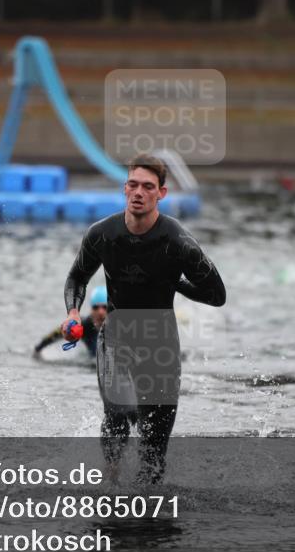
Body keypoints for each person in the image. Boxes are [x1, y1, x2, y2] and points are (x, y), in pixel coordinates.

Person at [61, 154, 226, 484]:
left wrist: (176, 283)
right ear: (125, 189)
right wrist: (73, 312)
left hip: (161, 345)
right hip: (116, 337)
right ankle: (110, 485)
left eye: (147, 187)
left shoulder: (179, 244)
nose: (138, 192)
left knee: (153, 453)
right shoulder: (102, 234)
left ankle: (148, 519)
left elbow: (216, 295)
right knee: (119, 412)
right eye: (133, 185)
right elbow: (77, 277)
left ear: (161, 194)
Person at [33, 285, 107, 359]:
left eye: (105, 307)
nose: (100, 312)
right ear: (91, 309)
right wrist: (38, 349)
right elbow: (58, 332)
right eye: (95, 307)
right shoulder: (84, 325)